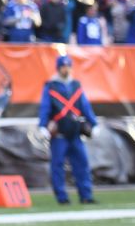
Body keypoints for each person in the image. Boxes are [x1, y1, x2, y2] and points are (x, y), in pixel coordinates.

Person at [39, 55, 97, 205]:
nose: (66, 69)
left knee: (82, 164)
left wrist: (93, 123)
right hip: (59, 133)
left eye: (68, 66)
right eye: (63, 66)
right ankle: (62, 197)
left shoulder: (76, 85)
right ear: (58, 68)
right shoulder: (50, 86)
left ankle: (86, 195)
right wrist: (42, 125)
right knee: (57, 165)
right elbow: (45, 107)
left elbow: (85, 105)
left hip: (75, 132)